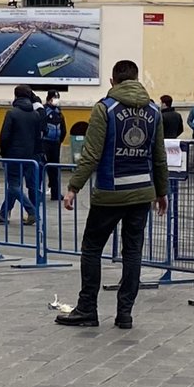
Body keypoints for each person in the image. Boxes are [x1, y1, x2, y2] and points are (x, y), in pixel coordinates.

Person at [56, 60, 168, 330]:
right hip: (142, 192)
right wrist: (161, 192)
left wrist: (73, 188)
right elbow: (159, 156)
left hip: (110, 192)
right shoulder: (154, 111)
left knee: (92, 249)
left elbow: (91, 154)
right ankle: (125, 314)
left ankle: (87, 310)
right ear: (137, 79)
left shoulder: (105, 109)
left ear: (112, 81)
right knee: (132, 252)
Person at [0, 85, 42, 225]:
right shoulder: (35, 114)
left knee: (14, 185)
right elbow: (37, 137)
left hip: (13, 155)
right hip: (30, 156)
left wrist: (4, 153)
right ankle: (4, 214)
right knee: (15, 186)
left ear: (16, 96)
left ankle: (32, 211)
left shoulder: (12, 113)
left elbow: (4, 136)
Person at [40, 90, 68, 201]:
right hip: (45, 143)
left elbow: (63, 128)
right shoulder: (43, 111)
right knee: (42, 168)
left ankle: (55, 193)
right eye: (54, 98)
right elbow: (41, 127)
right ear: (48, 99)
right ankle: (39, 193)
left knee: (54, 169)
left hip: (55, 144)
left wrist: (59, 141)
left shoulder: (59, 112)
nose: (56, 100)